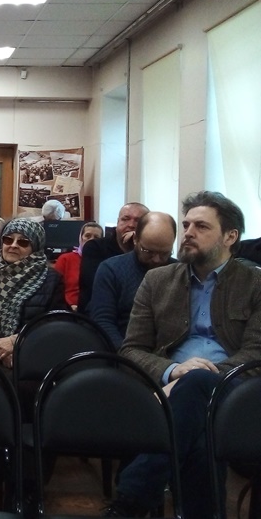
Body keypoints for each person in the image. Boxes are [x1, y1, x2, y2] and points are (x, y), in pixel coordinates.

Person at [107, 191, 261, 518]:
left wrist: (200, 377)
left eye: (201, 226)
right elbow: (131, 349)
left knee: (198, 383)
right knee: (202, 439)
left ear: (230, 237)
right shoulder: (158, 280)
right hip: (173, 389)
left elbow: (255, 353)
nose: (188, 232)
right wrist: (173, 371)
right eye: (187, 224)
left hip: (238, 390)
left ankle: (131, 500)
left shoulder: (255, 283)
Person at [0, 218, 67, 369]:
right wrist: (0, 350)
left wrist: (16, 342)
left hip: (34, 357)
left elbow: (54, 323)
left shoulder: (52, 279)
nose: (13, 245)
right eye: (8, 239)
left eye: (23, 242)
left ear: (35, 248)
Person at [88, 212, 176, 348]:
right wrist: (127, 354)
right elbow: (103, 321)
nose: (156, 259)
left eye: (164, 253)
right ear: (135, 239)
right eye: (148, 252)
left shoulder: (179, 272)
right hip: (123, 348)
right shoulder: (111, 270)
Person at [77, 202, 149, 314]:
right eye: (125, 219)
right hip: (97, 314)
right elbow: (98, 286)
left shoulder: (151, 253)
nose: (131, 225)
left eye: (138, 221)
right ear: (117, 222)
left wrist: (139, 245)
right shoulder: (95, 247)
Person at [53, 221, 104, 309]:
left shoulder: (104, 262)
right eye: (87, 236)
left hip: (94, 309)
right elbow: (55, 291)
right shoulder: (65, 259)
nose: (91, 240)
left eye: (96, 237)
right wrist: (69, 307)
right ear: (80, 238)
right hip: (67, 309)